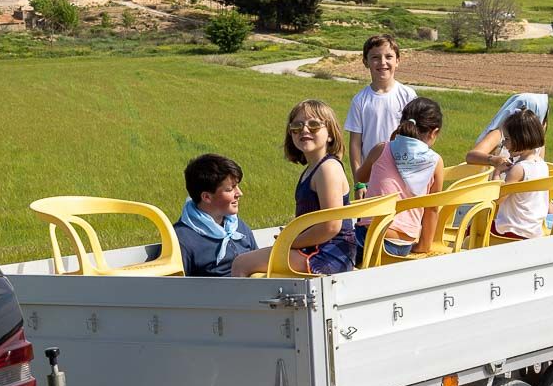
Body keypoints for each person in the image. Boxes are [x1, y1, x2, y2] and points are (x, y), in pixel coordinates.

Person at [231, 100, 357, 277]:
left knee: (241, 263)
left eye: (314, 125)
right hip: (317, 248)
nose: (305, 130)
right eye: (297, 127)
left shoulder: (328, 169)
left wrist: (290, 242)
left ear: (330, 134)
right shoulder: (313, 169)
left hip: (328, 254)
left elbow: (331, 227)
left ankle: (245, 305)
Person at [354, 97, 445, 259]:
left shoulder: (382, 148)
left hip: (369, 238)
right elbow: (432, 209)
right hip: (402, 245)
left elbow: (360, 176)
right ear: (434, 132)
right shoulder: (436, 162)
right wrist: (423, 246)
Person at [344, 34, 416, 198]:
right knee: (371, 222)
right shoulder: (360, 100)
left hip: (402, 178)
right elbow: (355, 145)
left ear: (397, 60)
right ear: (365, 62)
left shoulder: (408, 96)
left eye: (388, 57)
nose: (382, 62)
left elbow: (417, 138)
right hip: (371, 180)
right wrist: (359, 182)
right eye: (375, 57)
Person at [174, 154, 257, 277]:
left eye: (237, 186)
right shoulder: (182, 239)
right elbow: (173, 288)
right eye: (230, 189)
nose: (239, 193)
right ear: (207, 197)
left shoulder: (238, 226)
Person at [491, 109, 550, 239]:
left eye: (507, 139)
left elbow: (496, 199)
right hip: (534, 230)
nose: (505, 145)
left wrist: (497, 172)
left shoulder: (519, 169)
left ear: (520, 139)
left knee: (472, 229)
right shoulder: (542, 165)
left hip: (512, 230)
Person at [465, 93, 549, 176]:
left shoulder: (536, 143)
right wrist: (494, 160)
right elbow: (471, 156)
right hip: (497, 184)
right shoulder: (500, 134)